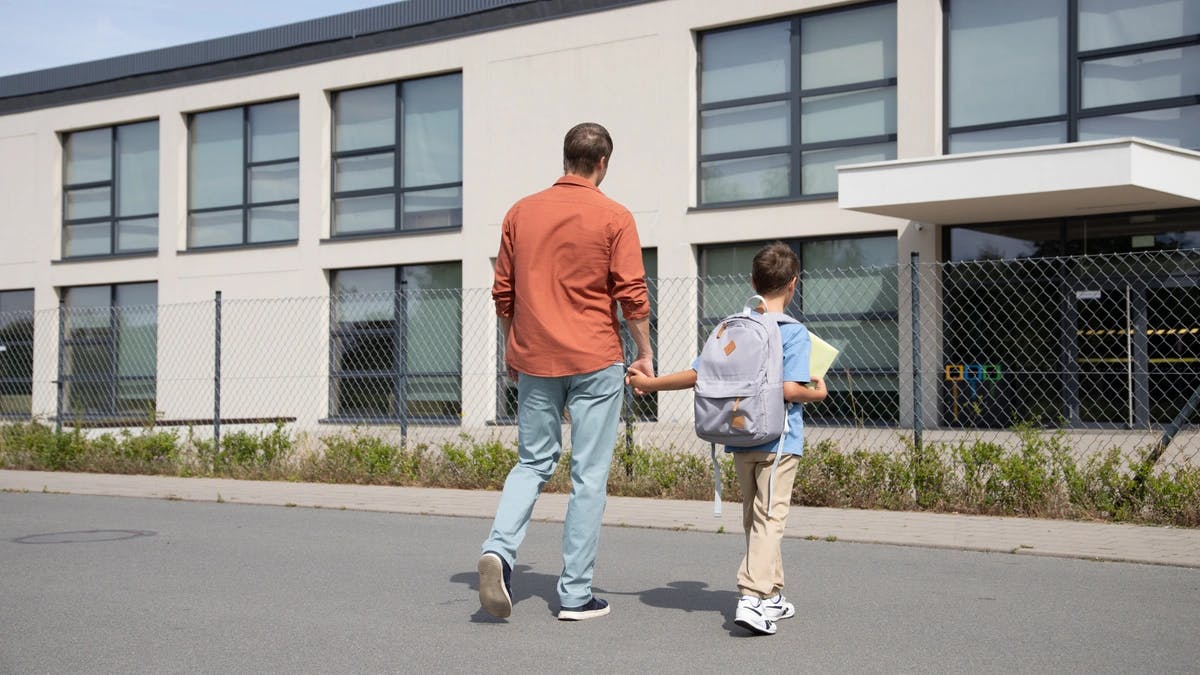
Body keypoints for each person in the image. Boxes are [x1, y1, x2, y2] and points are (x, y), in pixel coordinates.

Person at [478, 122, 653, 621]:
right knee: (588, 476)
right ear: (602, 163)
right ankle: (575, 595)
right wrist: (644, 353)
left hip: (535, 358)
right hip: (595, 359)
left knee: (532, 462)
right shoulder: (614, 215)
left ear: (565, 158)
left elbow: (503, 294)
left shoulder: (520, 212)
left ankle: (499, 549)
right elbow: (631, 294)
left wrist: (515, 346)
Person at [625, 241, 827, 636]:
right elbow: (789, 390)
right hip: (779, 442)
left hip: (739, 436)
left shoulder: (733, 329)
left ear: (752, 280)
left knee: (757, 517)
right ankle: (752, 598)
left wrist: (650, 384)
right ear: (794, 285)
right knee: (771, 517)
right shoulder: (793, 332)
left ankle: (771, 595)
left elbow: (698, 375)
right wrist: (817, 392)